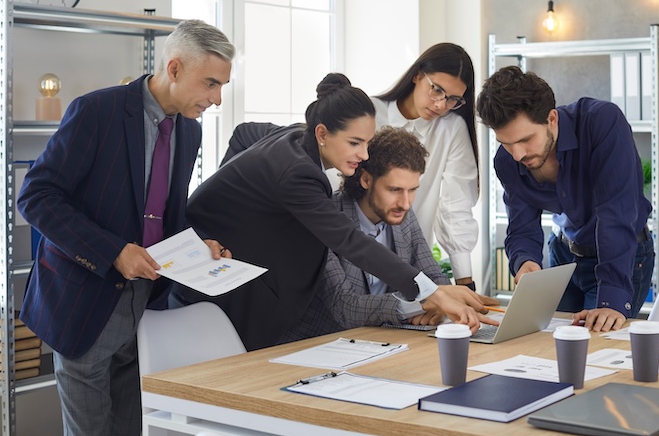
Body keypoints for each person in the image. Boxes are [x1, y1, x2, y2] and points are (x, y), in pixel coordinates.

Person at [17, 19, 235, 436]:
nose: (217, 99)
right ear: (174, 69)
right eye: (210, 83)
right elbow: (37, 197)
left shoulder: (189, 130)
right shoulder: (96, 112)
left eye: (223, 86)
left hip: (144, 306)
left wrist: (198, 244)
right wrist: (114, 251)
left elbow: (164, 215)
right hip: (84, 303)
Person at [171, 73, 496, 351]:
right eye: (355, 143)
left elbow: (243, 133)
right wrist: (429, 294)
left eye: (367, 142)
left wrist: (236, 206)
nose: (363, 155)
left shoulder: (296, 135)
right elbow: (351, 242)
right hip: (202, 274)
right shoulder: (301, 175)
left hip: (210, 257)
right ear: (323, 134)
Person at [475, 66, 654, 332]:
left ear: (552, 118)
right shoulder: (507, 161)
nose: (516, 154)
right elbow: (521, 225)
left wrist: (611, 299)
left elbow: (617, 215)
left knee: (594, 347)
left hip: (620, 256)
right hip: (563, 258)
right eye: (506, 143)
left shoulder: (601, 123)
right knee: (544, 347)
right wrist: (526, 263)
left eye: (525, 140)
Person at [282, 127, 499, 341]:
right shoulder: (326, 219)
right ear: (366, 180)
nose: (405, 203)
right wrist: (422, 303)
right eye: (394, 190)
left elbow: (433, 277)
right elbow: (345, 308)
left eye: (413, 190)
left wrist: (437, 305)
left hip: (381, 340)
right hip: (318, 345)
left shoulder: (402, 215)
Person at [371, 43, 480, 290]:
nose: (441, 105)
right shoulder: (369, 113)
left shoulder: (451, 128)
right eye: (437, 90)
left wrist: (465, 285)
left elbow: (456, 205)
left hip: (413, 268)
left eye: (453, 99)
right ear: (418, 75)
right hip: (360, 264)